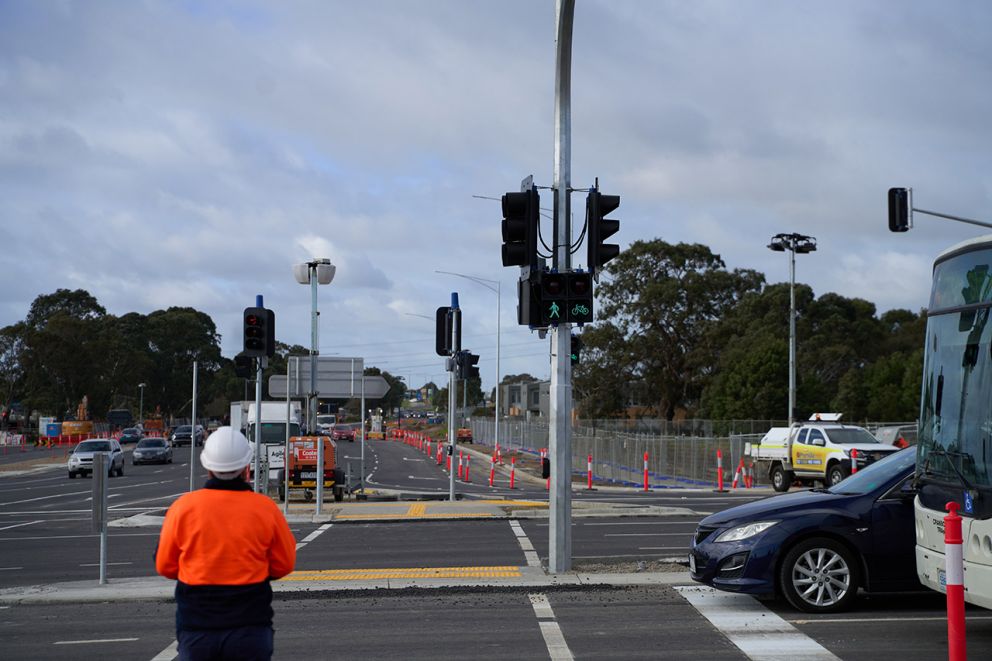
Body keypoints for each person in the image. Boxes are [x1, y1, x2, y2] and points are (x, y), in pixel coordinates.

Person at [156, 427, 296, 660]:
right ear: (245, 467)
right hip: (250, 628)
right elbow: (284, 564)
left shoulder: (183, 508)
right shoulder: (265, 508)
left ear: (207, 466)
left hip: (197, 628)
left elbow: (165, 566)